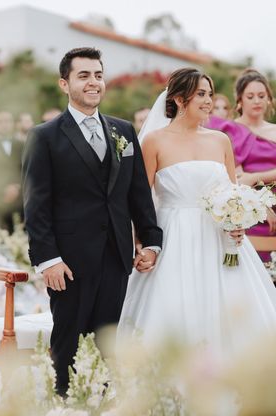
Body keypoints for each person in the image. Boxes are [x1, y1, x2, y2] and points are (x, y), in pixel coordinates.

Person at [22, 47, 162, 395]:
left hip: (117, 256)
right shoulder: (45, 136)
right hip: (68, 261)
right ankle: (64, 413)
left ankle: (103, 413)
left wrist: (151, 240)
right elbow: (36, 205)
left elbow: (138, 194)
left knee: (108, 341)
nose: (93, 82)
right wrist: (48, 259)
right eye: (83, 75)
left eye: (98, 74)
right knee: (68, 341)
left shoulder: (124, 131)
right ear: (64, 83)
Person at [118, 68, 276, 358]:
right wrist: (139, 244)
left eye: (210, 94)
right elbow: (140, 201)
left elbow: (233, 192)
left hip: (219, 240)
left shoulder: (220, 140)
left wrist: (236, 221)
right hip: (173, 237)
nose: (208, 101)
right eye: (201, 94)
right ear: (179, 99)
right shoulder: (154, 141)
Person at [208, 69, 276, 261]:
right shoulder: (228, 131)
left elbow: (248, 177)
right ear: (239, 100)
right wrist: (262, 205)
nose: (257, 101)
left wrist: (254, 177)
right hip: (246, 212)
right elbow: (233, 178)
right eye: (250, 96)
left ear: (269, 98)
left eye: (261, 96)